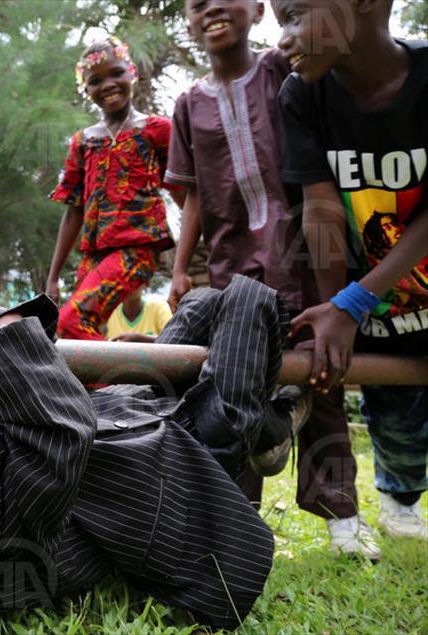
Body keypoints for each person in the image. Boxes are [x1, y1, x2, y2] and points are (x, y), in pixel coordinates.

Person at [0, 276, 307, 629]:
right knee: (248, 299)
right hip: (190, 468)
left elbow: (11, 367)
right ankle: (269, 429)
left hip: (141, 407)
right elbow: (63, 430)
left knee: (201, 302)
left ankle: (267, 428)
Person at [165, 0, 372, 558]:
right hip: (235, 266)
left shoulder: (285, 68)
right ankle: (237, 522)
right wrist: (184, 268)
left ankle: (341, 518)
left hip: (305, 251)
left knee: (321, 375)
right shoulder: (189, 104)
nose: (210, 9)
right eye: (195, 4)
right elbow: (191, 198)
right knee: (234, 385)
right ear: (187, 22)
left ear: (256, 10)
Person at [274, 0, 428, 540]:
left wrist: (355, 300)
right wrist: (337, 309)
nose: (283, 38)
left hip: (389, 289)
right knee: (396, 416)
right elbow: (321, 207)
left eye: (295, 15)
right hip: (384, 309)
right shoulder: (302, 96)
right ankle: (400, 497)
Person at [46, 37, 185, 341]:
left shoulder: (156, 130)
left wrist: (183, 266)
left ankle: (124, 386)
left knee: (72, 322)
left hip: (137, 249)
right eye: (96, 80)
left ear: (132, 72)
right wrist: (53, 277)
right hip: (94, 253)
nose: (108, 84)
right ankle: (110, 386)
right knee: (69, 333)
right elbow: (74, 212)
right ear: (86, 88)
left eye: (116, 73)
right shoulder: (83, 141)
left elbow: (181, 194)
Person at [105, 284, 172, 342]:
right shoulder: (107, 312)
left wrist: (141, 339)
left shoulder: (159, 308)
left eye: (134, 279)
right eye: (123, 280)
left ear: (145, 284)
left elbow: (173, 338)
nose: (128, 285)